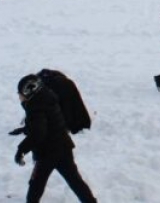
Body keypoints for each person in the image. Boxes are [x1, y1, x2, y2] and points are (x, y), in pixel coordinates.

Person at [12, 74, 97, 203]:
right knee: (75, 181)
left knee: (35, 187)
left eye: (20, 93)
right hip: (63, 147)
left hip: (47, 153)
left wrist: (21, 149)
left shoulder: (36, 108)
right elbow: (44, 125)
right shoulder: (46, 98)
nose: (19, 96)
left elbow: (38, 133)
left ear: (29, 92)